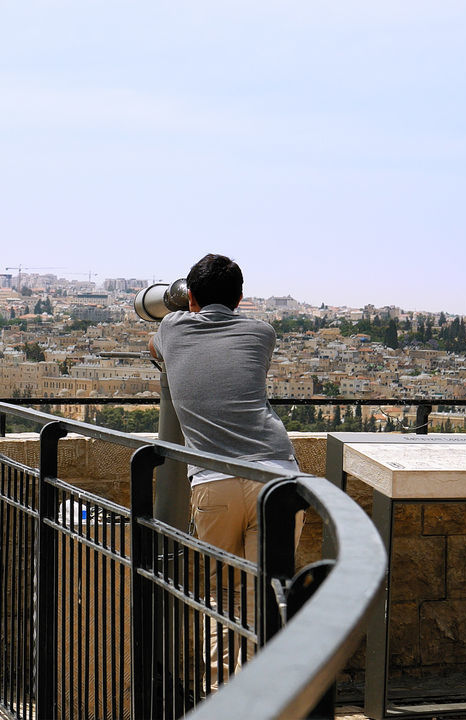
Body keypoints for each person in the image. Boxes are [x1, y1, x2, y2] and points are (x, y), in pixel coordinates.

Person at [147, 253, 300, 685]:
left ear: (190, 297)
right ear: (241, 298)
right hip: (278, 475)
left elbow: (157, 344)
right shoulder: (261, 332)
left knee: (223, 599)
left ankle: (225, 697)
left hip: (215, 481)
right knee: (269, 598)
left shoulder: (171, 328)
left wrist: (177, 304)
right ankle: (273, 700)